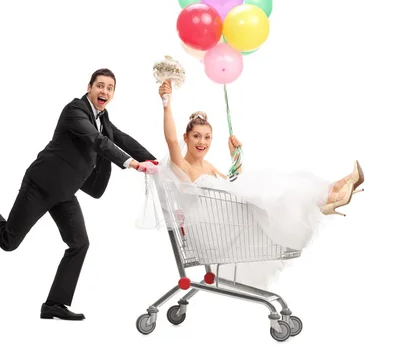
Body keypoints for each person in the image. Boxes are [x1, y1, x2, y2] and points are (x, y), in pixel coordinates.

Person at [0, 68, 160, 320]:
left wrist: (154, 161)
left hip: (65, 191)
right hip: (40, 184)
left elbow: (121, 138)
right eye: (100, 85)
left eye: (110, 88)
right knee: (9, 241)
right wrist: (133, 165)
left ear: (113, 94)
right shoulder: (75, 111)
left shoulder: (102, 118)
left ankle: (54, 304)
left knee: (79, 244)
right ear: (89, 87)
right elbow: (98, 142)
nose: (104, 91)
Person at [142, 79, 365, 288]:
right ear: (186, 137)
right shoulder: (183, 167)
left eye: (207, 137)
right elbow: (171, 140)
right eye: (197, 136)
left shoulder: (208, 166)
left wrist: (235, 156)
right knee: (269, 192)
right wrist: (166, 104)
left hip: (226, 218)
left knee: (270, 187)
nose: (202, 142)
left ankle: (331, 192)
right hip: (213, 231)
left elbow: (234, 182)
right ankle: (328, 197)